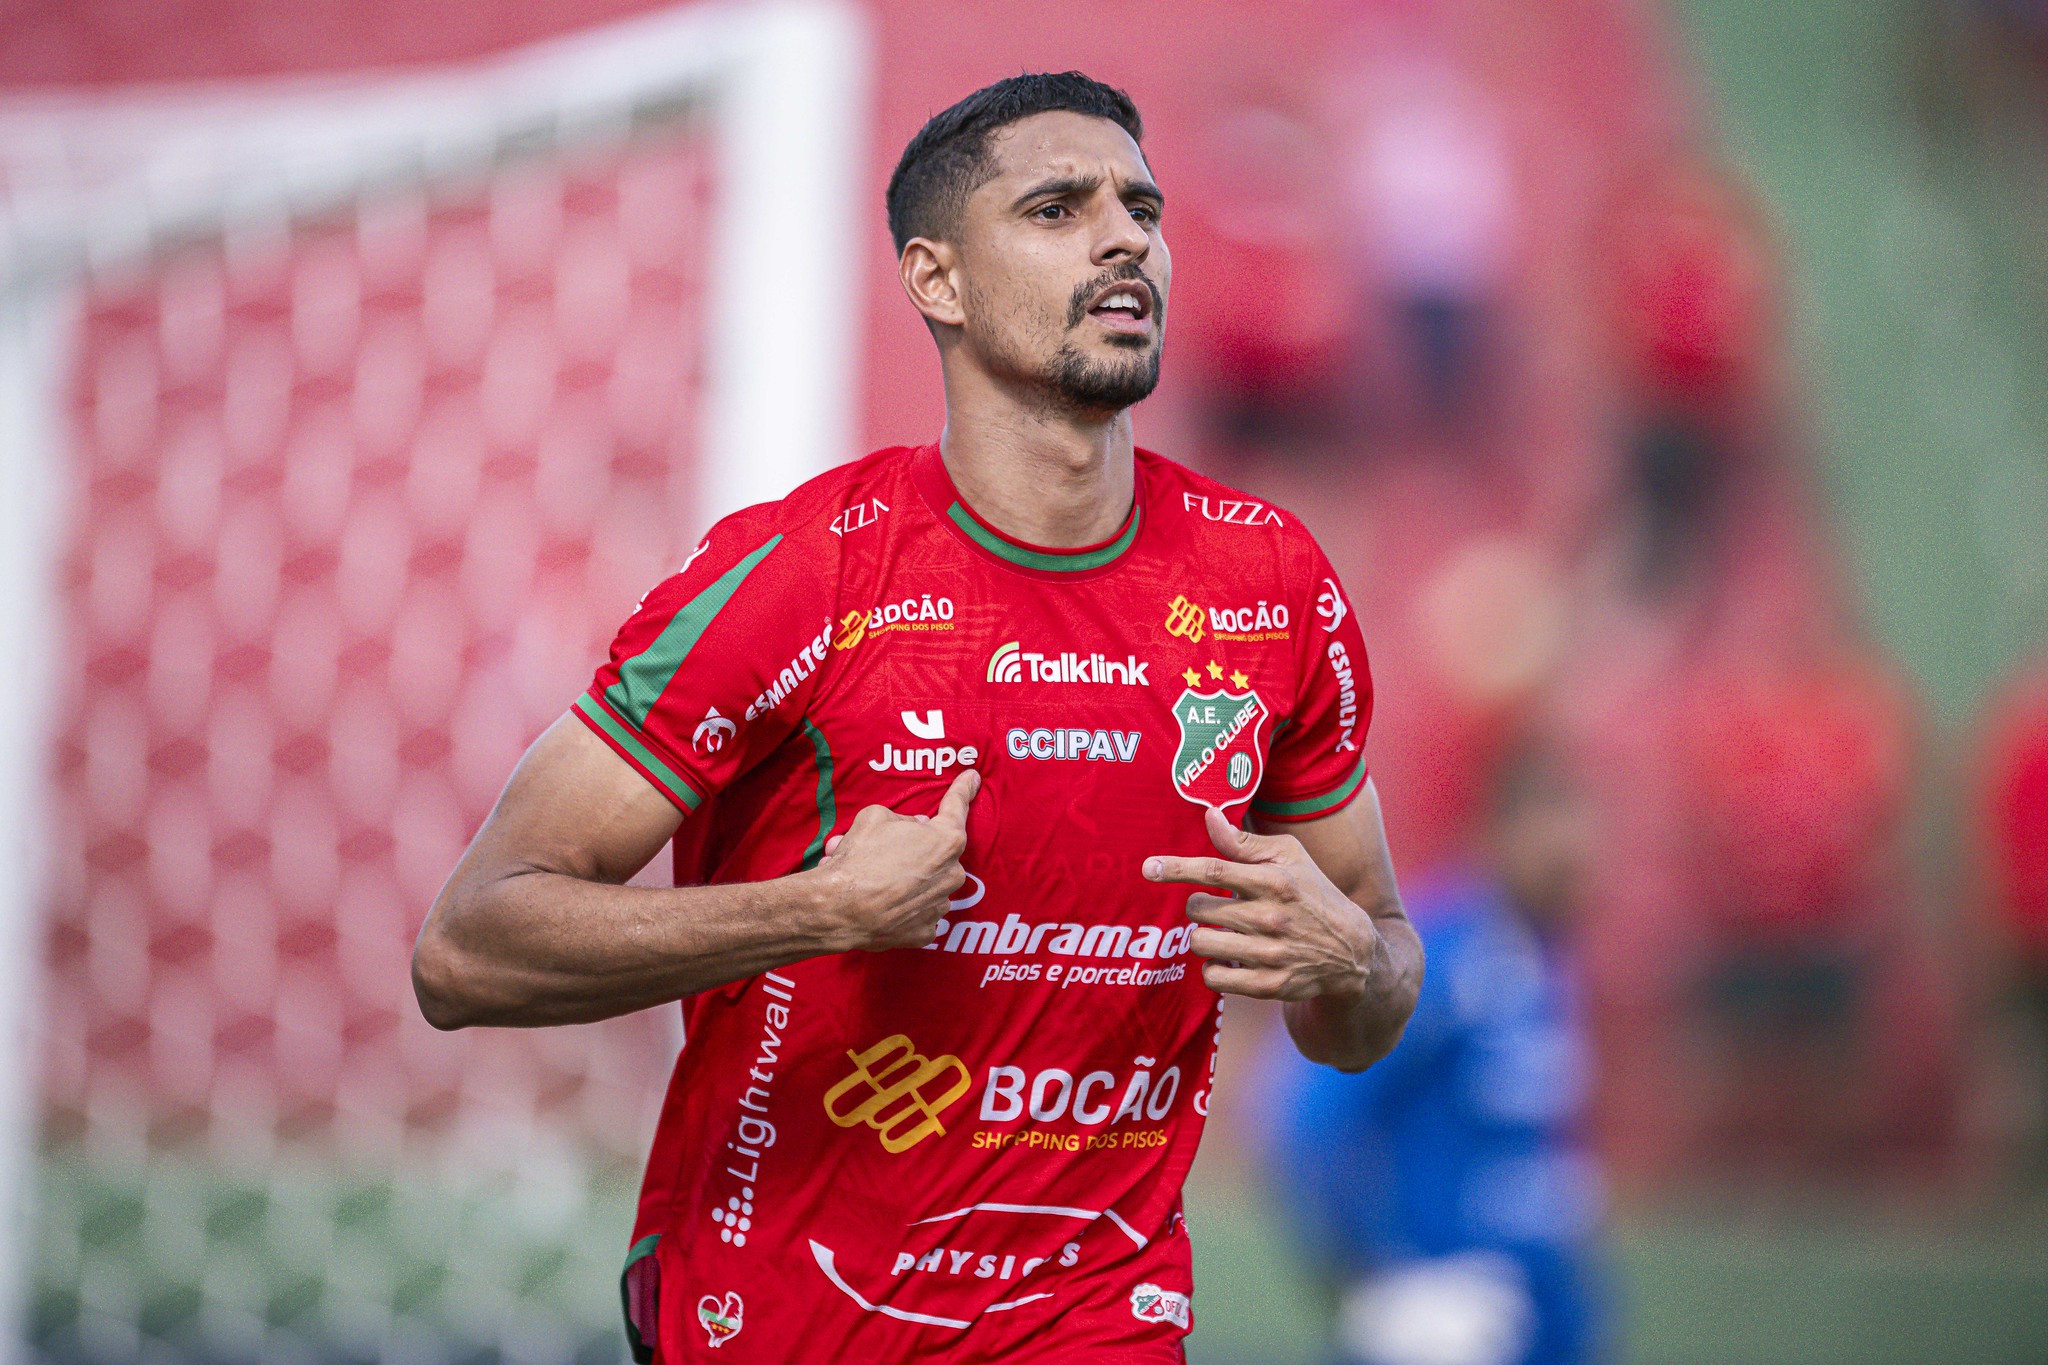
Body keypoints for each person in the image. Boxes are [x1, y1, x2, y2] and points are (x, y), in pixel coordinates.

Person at [410, 73, 1423, 1364]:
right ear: (936, 280)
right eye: (1057, 207)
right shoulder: (801, 574)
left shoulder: (1269, 587)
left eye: (1141, 206)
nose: (1125, 237)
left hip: (1093, 1319)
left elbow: (1367, 991)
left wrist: (1355, 961)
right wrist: (819, 909)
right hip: (779, 1320)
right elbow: (463, 949)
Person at [1263, 742, 1603, 1365]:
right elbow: (1304, 1119)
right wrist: (1374, 1279)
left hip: (1541, 1306)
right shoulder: (1444, 951)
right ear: (1499, 830)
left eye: (1581, 819)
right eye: (1551, 818)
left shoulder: (1552, 959)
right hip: (1449, 1316)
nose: (1572, 846)